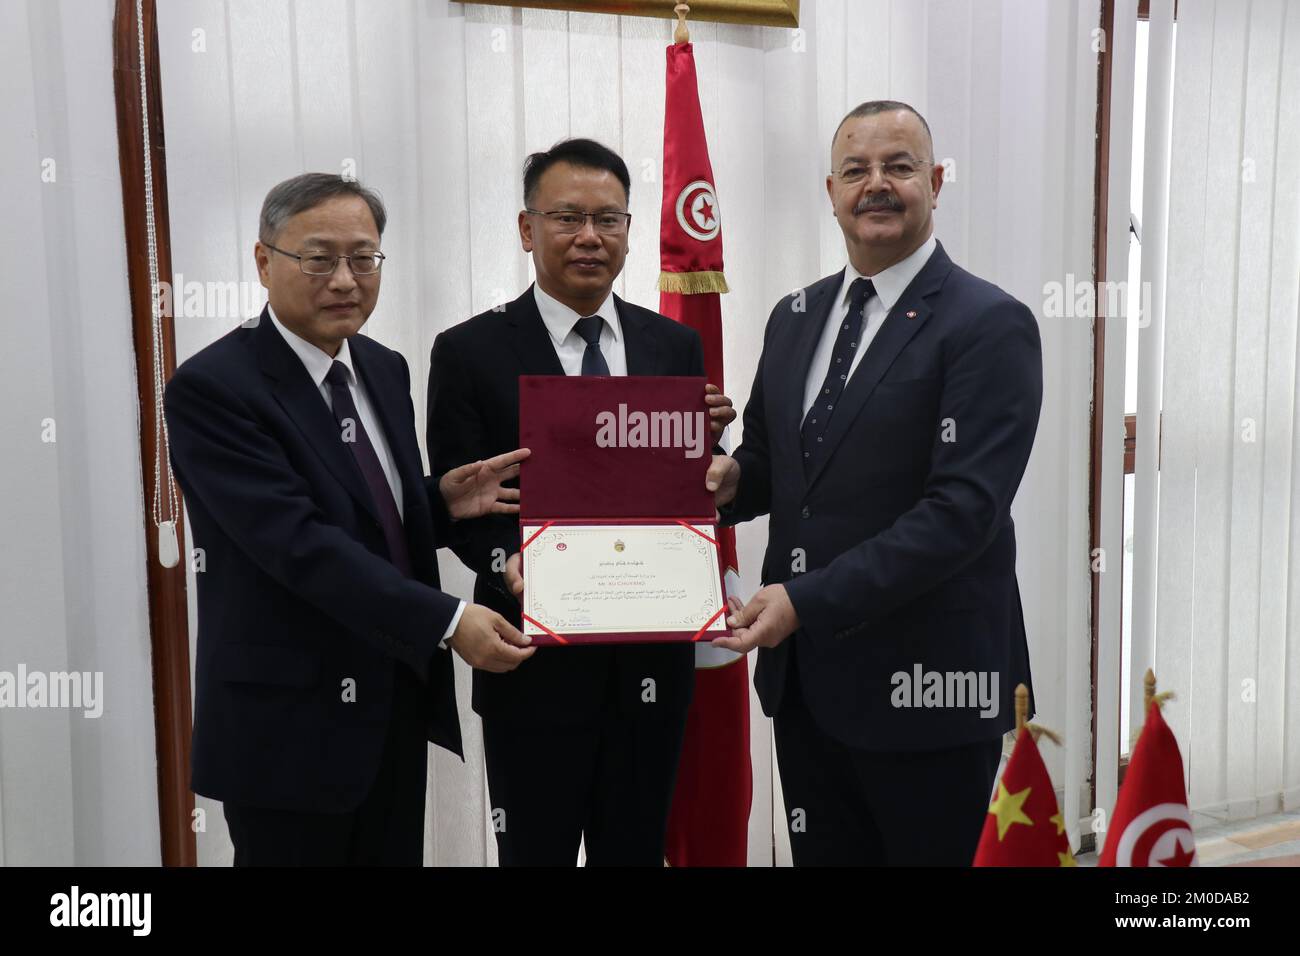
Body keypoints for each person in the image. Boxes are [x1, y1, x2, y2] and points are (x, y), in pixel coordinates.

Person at [708, 101, 1043, 866]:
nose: (877, 185)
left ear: (936, 181)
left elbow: (961, 515)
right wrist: (728, 481)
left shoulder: (990, 323)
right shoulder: (795, 317)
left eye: (899, 166)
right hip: (808, 689)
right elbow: (772, 466)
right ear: (831, 191)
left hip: (931, 691)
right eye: (856, 171)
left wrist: (803, 601)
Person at [165, 173, 531, 865]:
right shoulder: (214, 388)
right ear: (263, 261)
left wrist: (436, 502)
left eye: (364, 258)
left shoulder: (382, 367)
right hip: (287, 722)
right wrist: (448, 623)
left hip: (389, 700)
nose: (345, 279)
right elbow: (298, 544)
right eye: (319, 257)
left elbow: (362, 512)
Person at [427, 139, 735, 865]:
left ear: (630, 230)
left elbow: (682, 489)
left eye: (608, 218)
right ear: (527, 229)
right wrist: (507, 566)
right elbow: (462, 503)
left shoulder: (672, 348)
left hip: (652, 660)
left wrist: (712, 463)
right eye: (567, 217)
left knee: (636, 851)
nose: (590, 237)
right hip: (530, 662)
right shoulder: (468, 351)